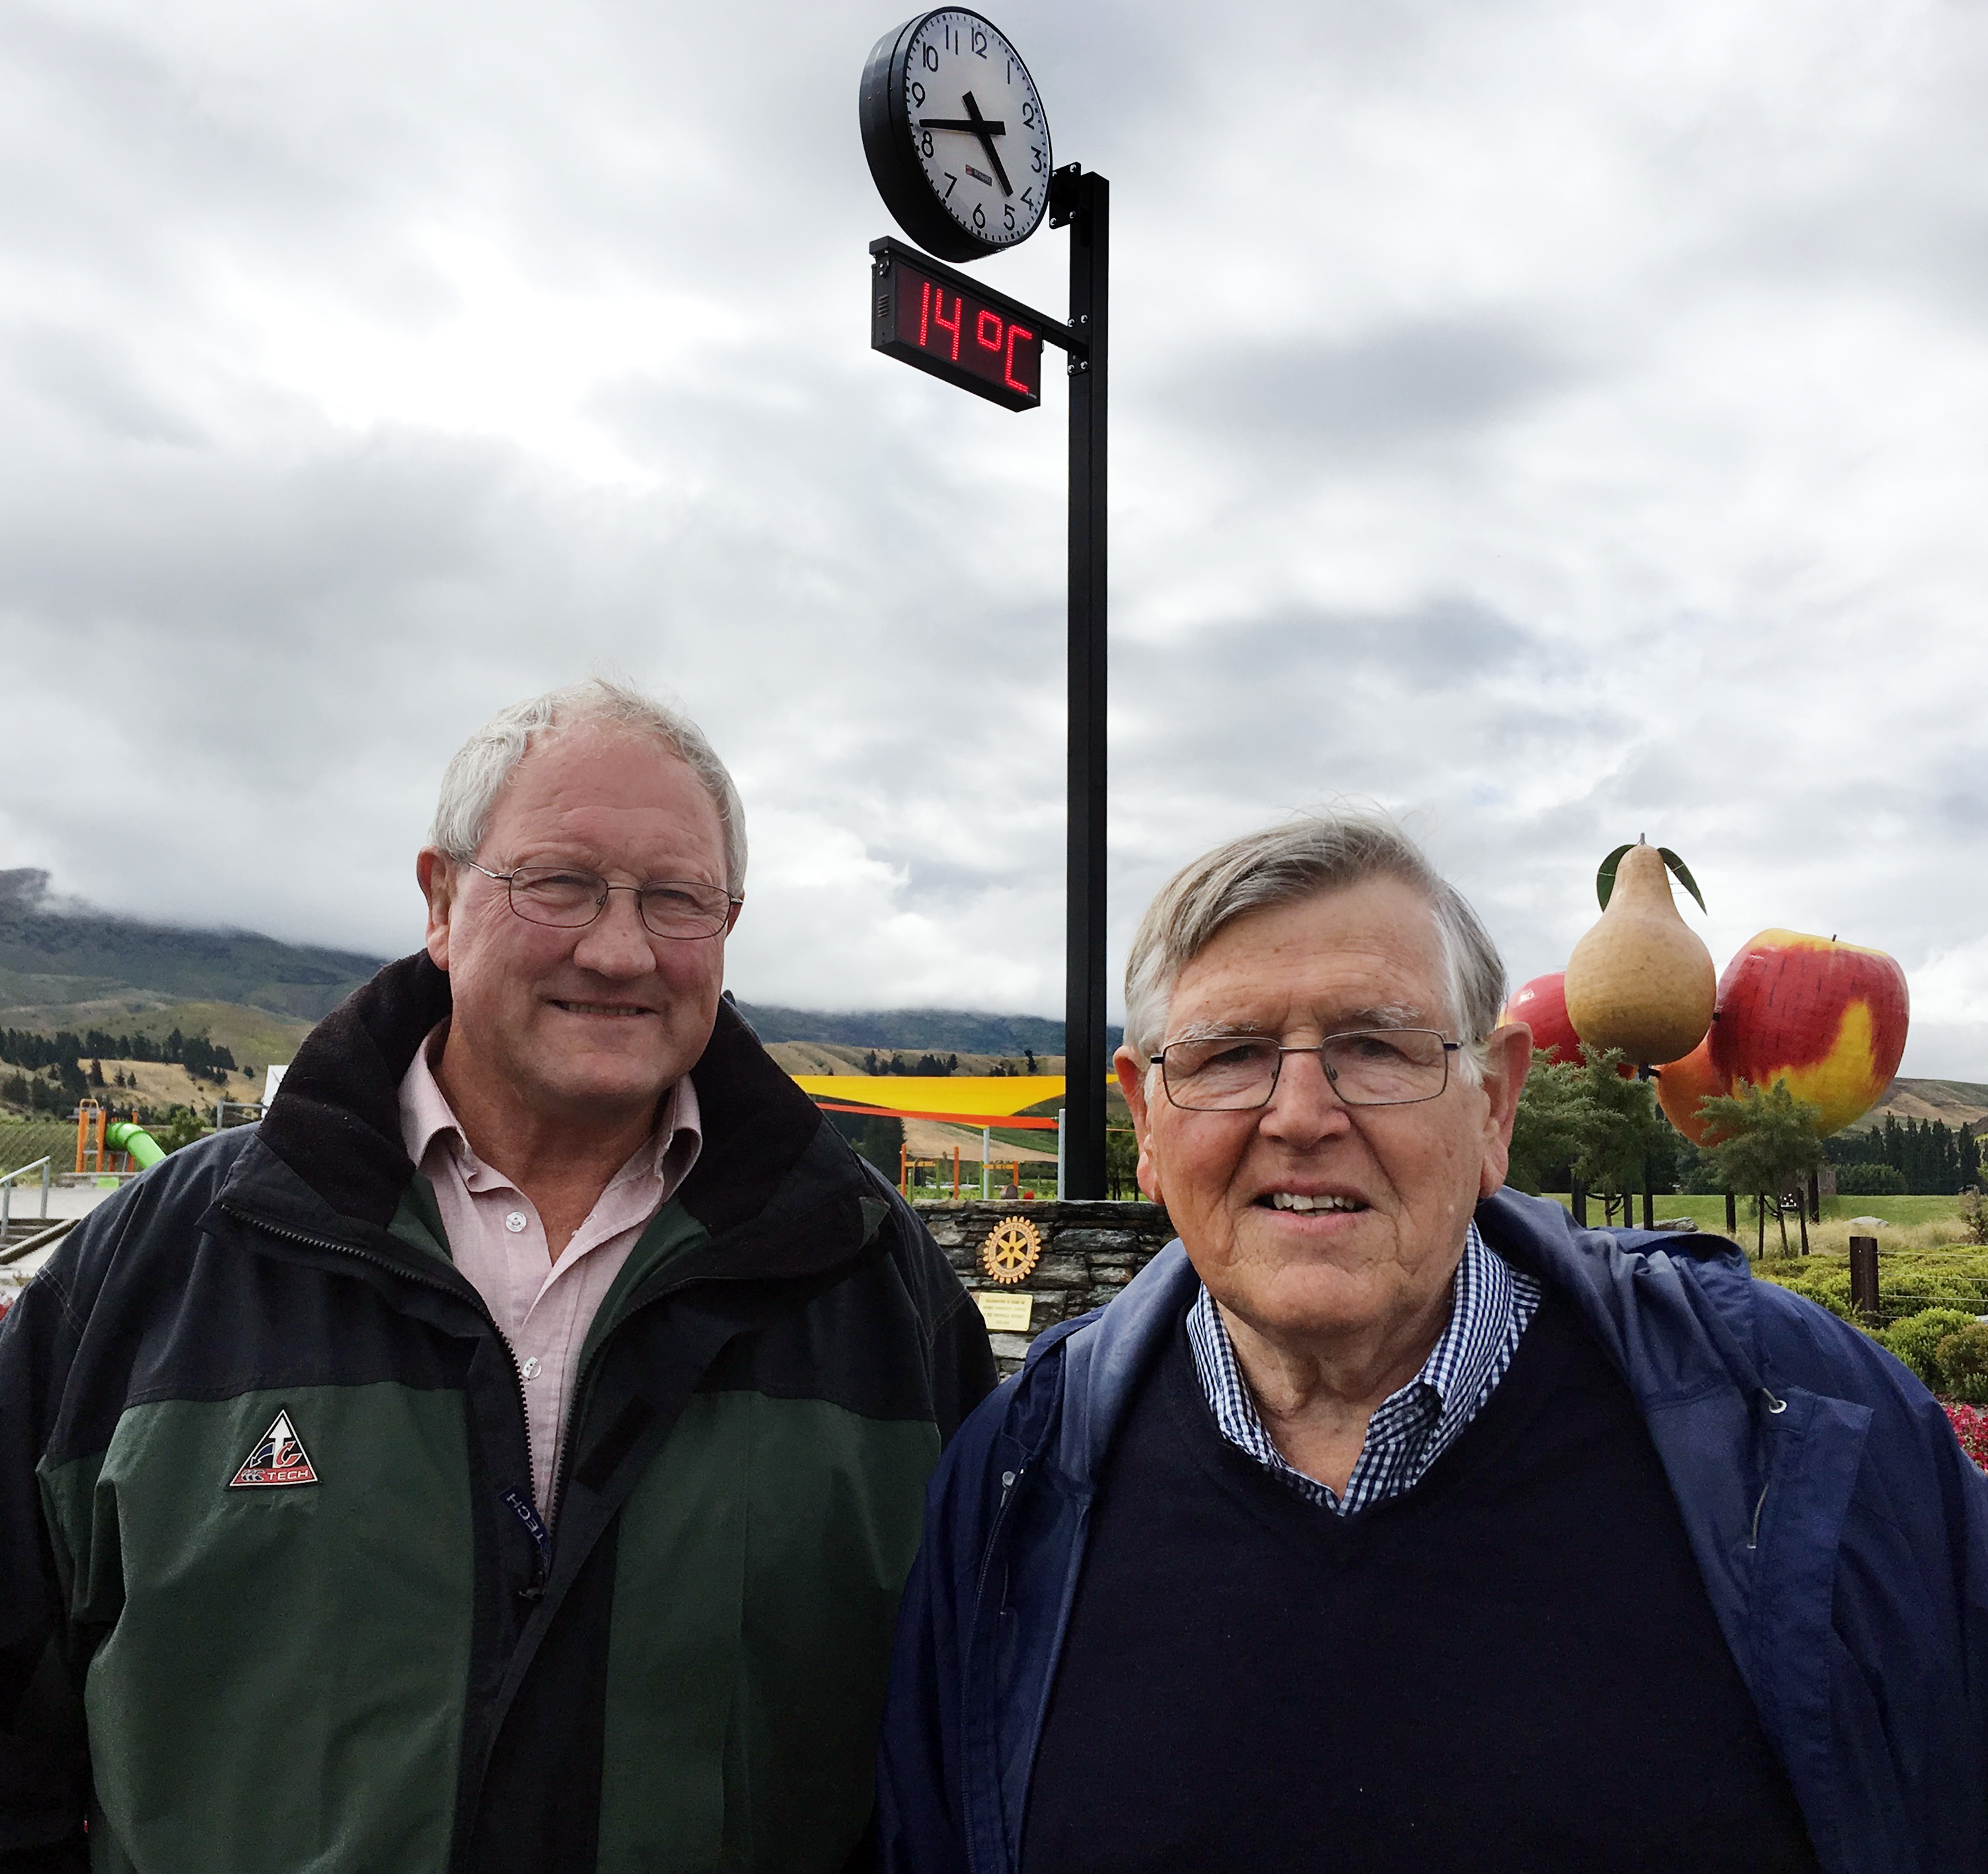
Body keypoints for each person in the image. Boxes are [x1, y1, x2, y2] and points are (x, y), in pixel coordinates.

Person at [0, 677, 994, 1873]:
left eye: (677, 899)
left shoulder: (870, 1277)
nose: (619, 948)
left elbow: (959, 1745)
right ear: (441, 897)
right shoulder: (160, 1261)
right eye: (559, 882)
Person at [877, 813, 1988, 1874]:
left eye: (1376, 1046)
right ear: (1147, 1128)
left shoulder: (1797, 1423)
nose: (1301, 1113)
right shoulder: (1013, 1485)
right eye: (1224, 1056)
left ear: (1494, 1108)